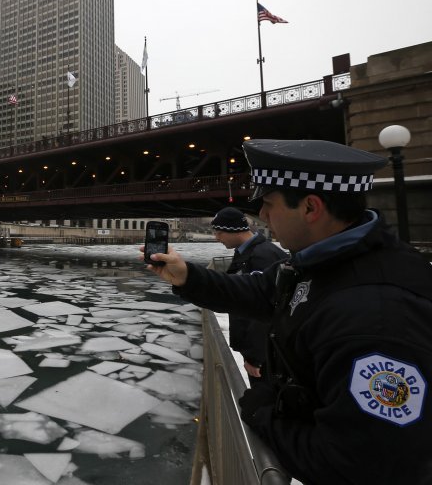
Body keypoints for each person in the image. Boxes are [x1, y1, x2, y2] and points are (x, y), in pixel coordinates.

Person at [143, 139, 432, 485]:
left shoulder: (377, 315)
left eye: (268, 203)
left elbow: (357, 463)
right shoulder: (324, 261)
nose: (262, 215)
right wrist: (187, 276)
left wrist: (264, 413)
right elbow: (260, 292)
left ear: (310, 207)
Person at [210, 207, 287, 386]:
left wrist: (255, 357)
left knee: (265, 397)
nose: (217, 238)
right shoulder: (252, 252)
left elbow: (264, 310)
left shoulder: (261, 257)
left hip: (268, 355)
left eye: (219, 232)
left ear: (232, 230)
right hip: (266, 350)